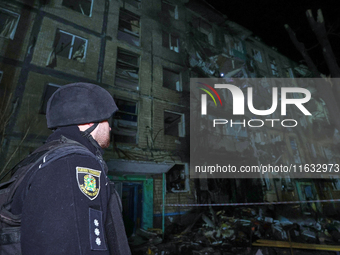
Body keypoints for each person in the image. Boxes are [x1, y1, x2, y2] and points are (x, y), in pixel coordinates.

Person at [10, 83, 131, 255]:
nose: (109, 127)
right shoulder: (74, 163)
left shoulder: (46, 157)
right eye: (105, 120)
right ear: (89, 121)